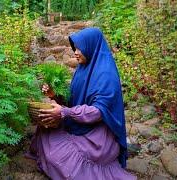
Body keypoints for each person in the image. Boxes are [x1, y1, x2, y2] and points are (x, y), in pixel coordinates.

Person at [26, 28, 136, 180]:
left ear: (91, 46)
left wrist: (64, 112)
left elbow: (98, 112)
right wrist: (54, 95)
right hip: (81, 124)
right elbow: (74, 101)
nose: (76, 52)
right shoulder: (83, 68)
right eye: (75, 48)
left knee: (57, 157)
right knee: (45, 129)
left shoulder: (106, 74)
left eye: (80, 48)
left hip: (99, 136)